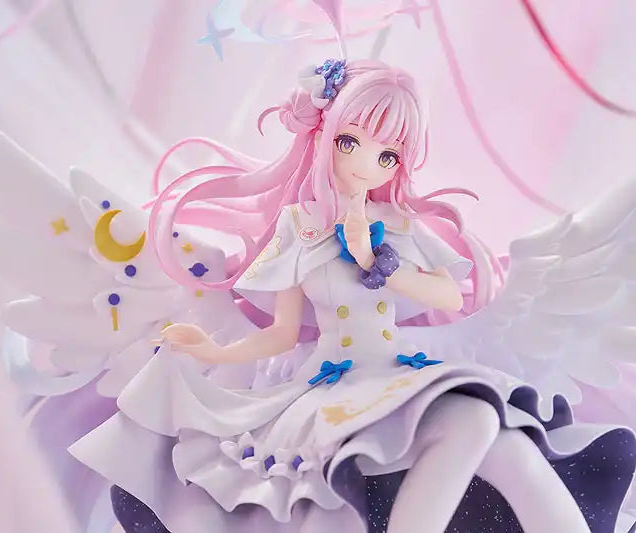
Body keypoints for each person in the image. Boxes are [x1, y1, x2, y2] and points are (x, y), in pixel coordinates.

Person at [61, 60, 636, 532]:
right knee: (477, 423)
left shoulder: (400, 225)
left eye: (387, 155)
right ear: (325, 137)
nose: (366, 165)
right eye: (350, 142)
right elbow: (281, 334)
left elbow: (447, 295)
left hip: (401, 372)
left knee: (504, 439)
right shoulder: (299, 228)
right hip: (334, 384)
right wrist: (210, 350)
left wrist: (376, 262)